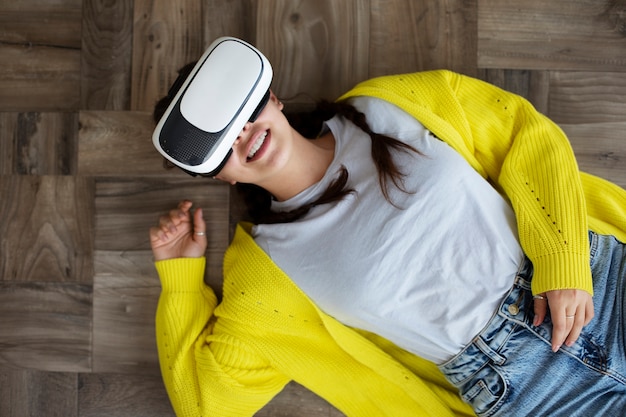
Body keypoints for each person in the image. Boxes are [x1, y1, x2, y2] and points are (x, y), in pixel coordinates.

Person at [149, 46, 626, 416]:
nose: (243, 135)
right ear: (219, 176)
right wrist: (180, 280)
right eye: (220, 143)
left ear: (271, 97)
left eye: (246, 112)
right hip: (520, 384)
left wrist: (562, 260)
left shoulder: (390, 105)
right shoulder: (266, 272)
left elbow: (526, 133)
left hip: (598, 285)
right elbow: (205, 404)